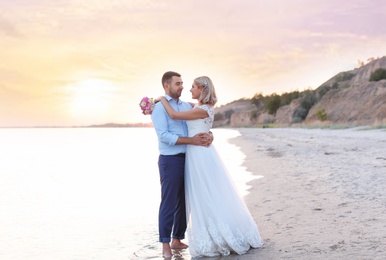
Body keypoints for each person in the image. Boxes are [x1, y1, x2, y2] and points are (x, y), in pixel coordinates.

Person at [158, 76, 264, 258]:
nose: (189, 90)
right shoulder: (201, 107)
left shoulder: (202, 109)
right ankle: (191, 236)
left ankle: (216, 235)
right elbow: (182, 105)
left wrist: (161, 99)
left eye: (193, 87)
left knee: (206, 194)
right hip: (198, 153)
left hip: (199, 154)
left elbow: (174, 114)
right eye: (186, 86)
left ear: (202, 90)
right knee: (205, 193)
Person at [151, 71, 214, 258]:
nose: (182, 87)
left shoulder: (186, 105)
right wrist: (191, 141)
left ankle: (177, 238)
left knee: (185, 202)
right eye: (177, 83)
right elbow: (164, 136)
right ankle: (165, 244)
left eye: (182, 83)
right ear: (166, 86)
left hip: (190, 159)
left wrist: (210, 135)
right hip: (170, 160)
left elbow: (204, 121)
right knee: (169, 202)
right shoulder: (159, 108)